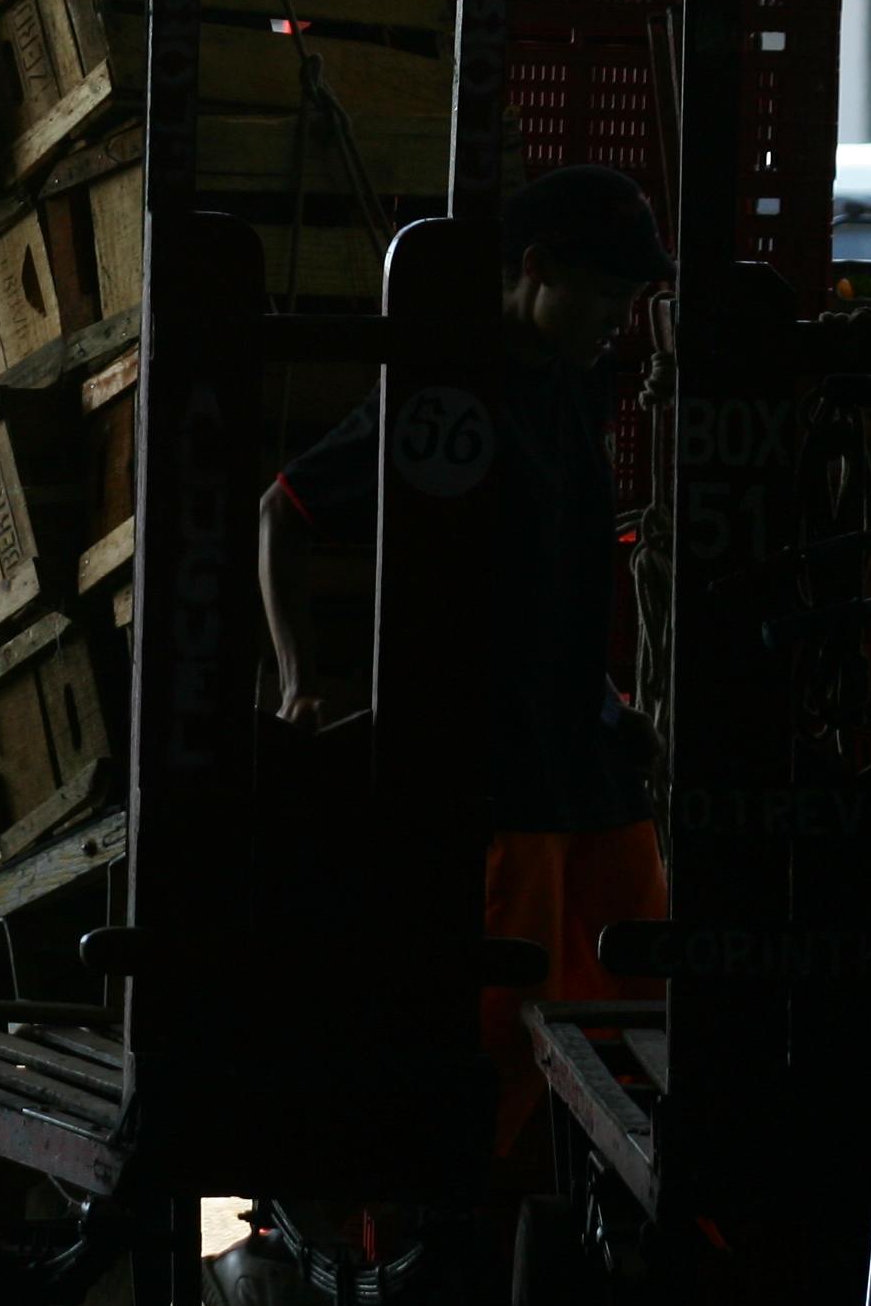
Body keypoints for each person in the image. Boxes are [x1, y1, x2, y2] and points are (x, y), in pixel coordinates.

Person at [255, 162, 671, 1179]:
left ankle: (616, 1227)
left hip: (588, 759)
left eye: (630, 302)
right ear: (534, 271)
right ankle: (434, 1240)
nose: (617, 321)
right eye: (605, 297)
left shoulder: (576, 386)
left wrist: (619, 702)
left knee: (646, 996)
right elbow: (284, 510)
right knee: (496, 1026)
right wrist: (299, 676)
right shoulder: (453, 391)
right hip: (498, 776)